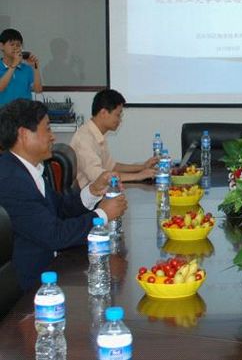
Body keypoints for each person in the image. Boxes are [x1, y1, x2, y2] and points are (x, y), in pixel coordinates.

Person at [0, 99, 127, 290]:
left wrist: (93, 190)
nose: (53, 137)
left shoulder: (28, 169)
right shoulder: (11, 180)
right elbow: (55, 235)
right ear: (24, 134)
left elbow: (60, 208)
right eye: (47, 129)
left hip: (52, 269)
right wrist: (102, 215)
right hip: (31, 287)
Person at [70, 89, 157, 188]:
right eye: (118, 115)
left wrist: (143, 167)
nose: (120, 120)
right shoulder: (84, 139)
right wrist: (138, 176)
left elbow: (112, 167)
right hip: (87, 195)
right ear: (103, 113)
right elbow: (99, 176)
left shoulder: (97, 135)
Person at [0, 28, 43, 105]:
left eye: (18, 45)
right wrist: (14, 65)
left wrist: (35, 67)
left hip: (25, 111)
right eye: (12, 44)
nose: (15, 48)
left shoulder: (26, 69)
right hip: (3, 111)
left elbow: (38, 90)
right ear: (1, 46)